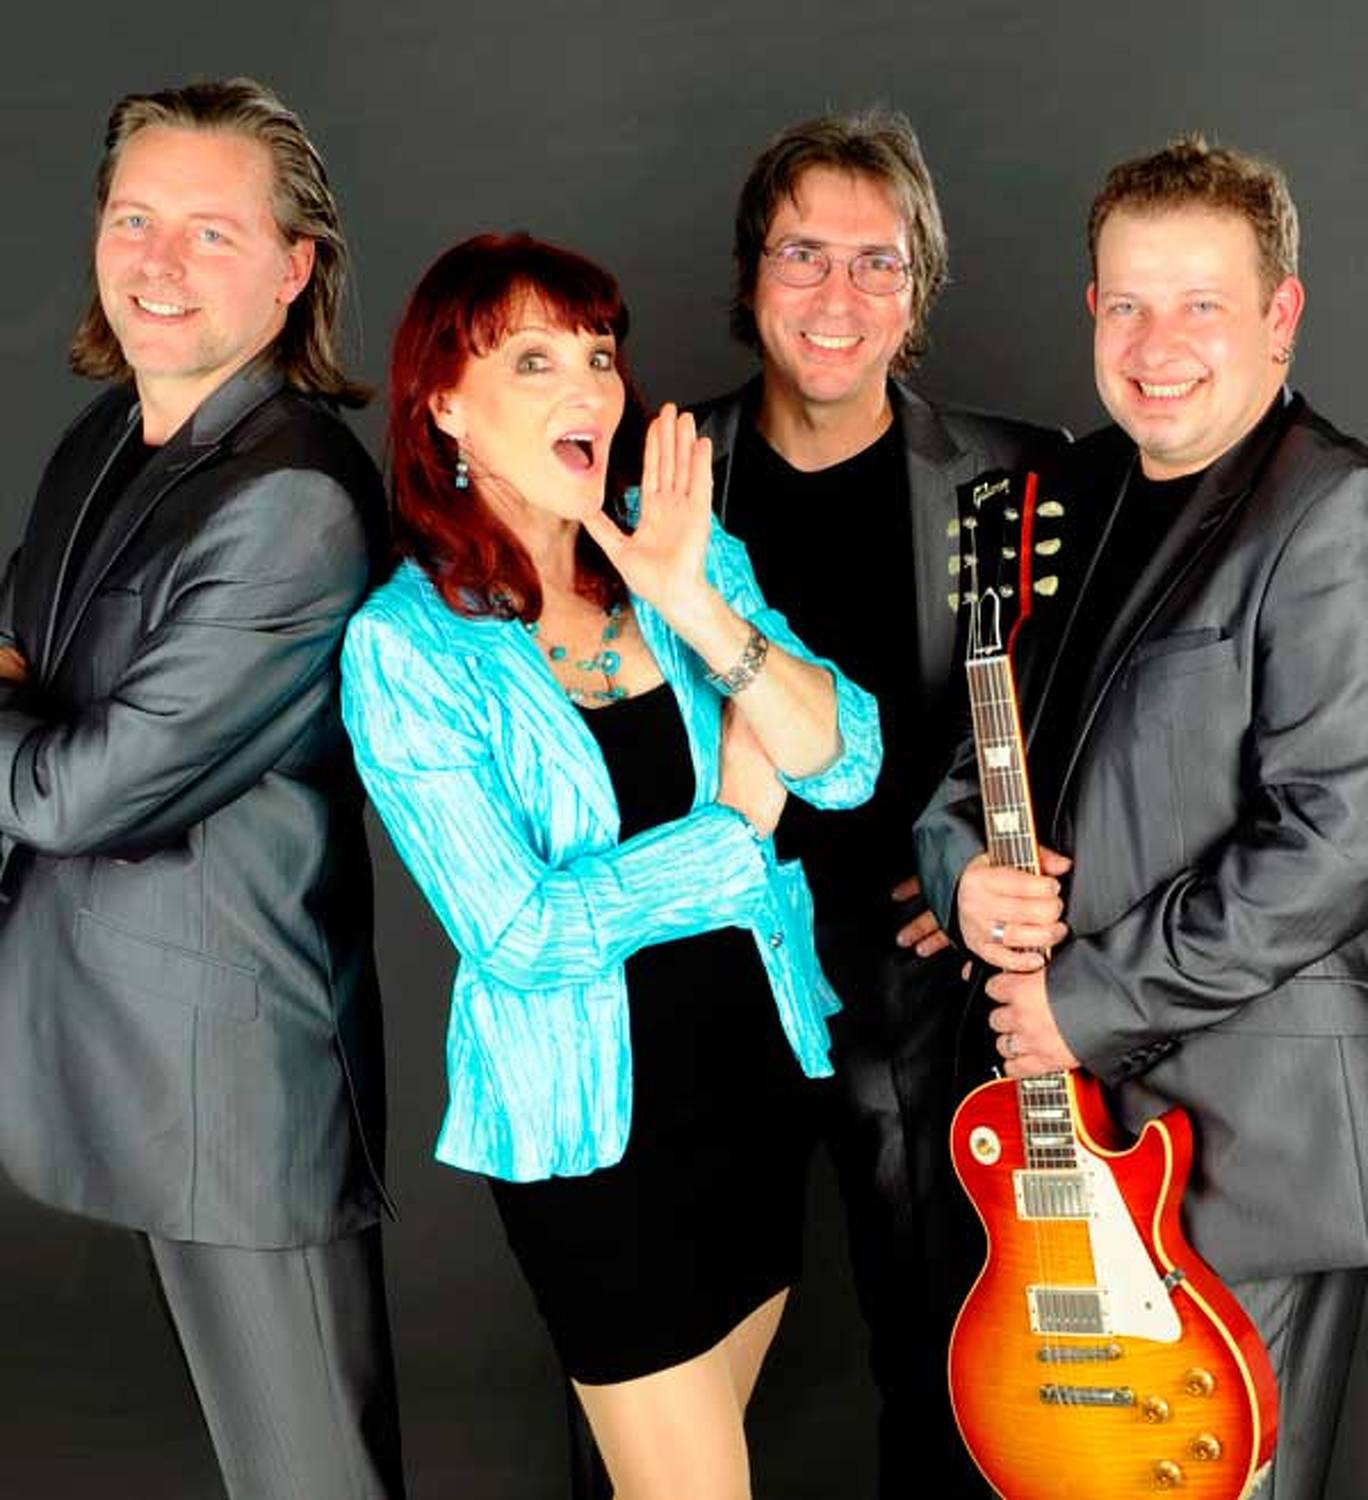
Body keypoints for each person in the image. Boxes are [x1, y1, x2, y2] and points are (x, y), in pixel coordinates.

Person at [340, 231, 881, 1500]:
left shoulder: (679, 548)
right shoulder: (405, 647)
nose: (588, 387)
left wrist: (693, 602)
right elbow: (519, 933)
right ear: (444, 404)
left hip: (757, 1089)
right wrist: (731, 836)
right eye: (533, 361)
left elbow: (844, 759)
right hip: (591, 1142)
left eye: (597, 355)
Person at [915, 136, 1368, 1500]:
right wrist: (958, 876)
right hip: (1056, 1141)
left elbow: (1334, 841)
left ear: (1281, 315)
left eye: (1200, 304)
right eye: (1126, 304)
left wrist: (1084, 1002)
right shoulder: (1067, 496)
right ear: (1091, 312)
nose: (1156, 345)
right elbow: (973, 761)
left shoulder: (1336, 512)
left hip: (1243, 1153)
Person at [0, 79, 405, 1498]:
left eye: (211, 232)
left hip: (235, 1094)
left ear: (296, 269)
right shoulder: (107, 435)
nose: (158, 262)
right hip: (115, 1039)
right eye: (135, 219)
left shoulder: (295, 500)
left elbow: (80, 797)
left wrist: (33, 720)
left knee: (311, 1482)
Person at [680, 109, 1063, 1496]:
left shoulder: (1017, 473)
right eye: (802, 254)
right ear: (751, 274)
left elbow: (1085, 714)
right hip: (713, 965)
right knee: (668, 1359)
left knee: (944, 1359)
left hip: (922, 986)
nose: (836, 294)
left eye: (876, 261)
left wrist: (968, 872)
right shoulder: (667, 469)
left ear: (919, 290)